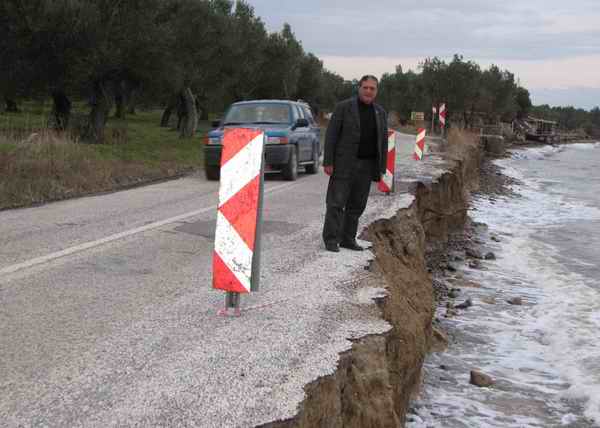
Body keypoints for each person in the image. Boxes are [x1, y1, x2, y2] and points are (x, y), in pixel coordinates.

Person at [322, 75, 388, 252]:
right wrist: (328, 161)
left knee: (357, 205)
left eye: (372, 88)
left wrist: (382, 168)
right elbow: (331, 136)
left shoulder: (380, 112)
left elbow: (383, 142)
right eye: (365, 87)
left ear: (376, 91)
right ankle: (331, 240)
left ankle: (348, 239)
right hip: (344, 164)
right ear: (359, 88)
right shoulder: (343, 108)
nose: (368, 91)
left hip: (367, 166)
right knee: (336, 203)